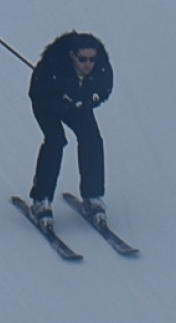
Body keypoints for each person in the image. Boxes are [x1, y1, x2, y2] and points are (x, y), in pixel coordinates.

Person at [25, 31, 113, 222]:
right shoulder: (52, 65)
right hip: (47, 105)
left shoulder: (101, 68)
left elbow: (104, 89)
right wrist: (61, 103)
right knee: (56, 141)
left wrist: (88, 101)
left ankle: (92, 196)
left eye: (92, 59)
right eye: (83, 59)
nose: (88, 64)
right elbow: (36, 93)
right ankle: (41, 200)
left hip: (78, 105)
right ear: (72, 56)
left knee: (91, 140)